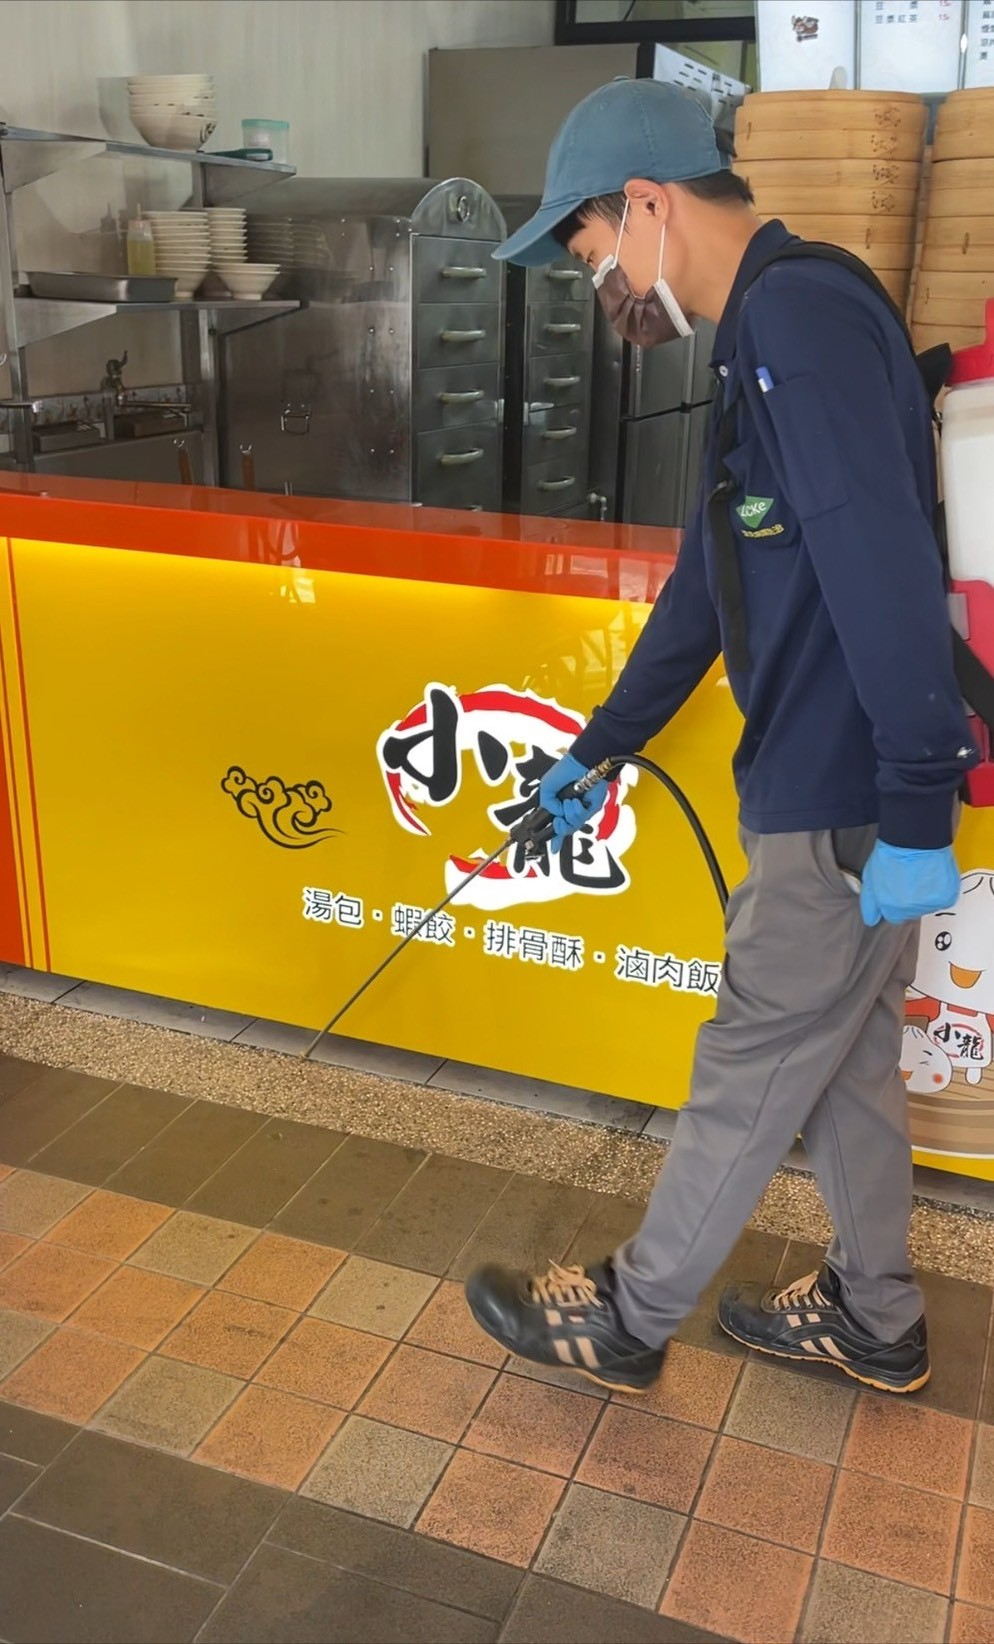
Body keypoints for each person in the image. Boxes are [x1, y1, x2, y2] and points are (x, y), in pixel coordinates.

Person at [465, 77, 976, 1397]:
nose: (598, 285)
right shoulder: (763, 329)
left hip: (840, 790)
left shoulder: (796, 319)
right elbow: (713, 581)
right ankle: (875, 1313)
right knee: (845, 1063)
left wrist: (917, 804)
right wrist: (599, 748)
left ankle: (629, 1316)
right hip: (839, 779)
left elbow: (881, 565)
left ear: (647, 205)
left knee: (753, 1053)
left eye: (589, 250)